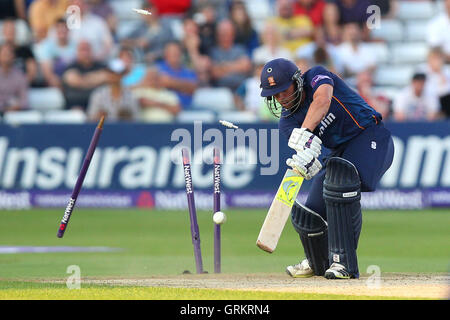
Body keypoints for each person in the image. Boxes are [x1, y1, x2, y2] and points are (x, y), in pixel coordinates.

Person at [259, 58, 394, 279]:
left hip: (371, 136)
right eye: (275, 95)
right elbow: (310, 151)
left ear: (297, 81)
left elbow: (322, 100)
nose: (280, 98)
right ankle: (318, 261)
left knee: (341, 184)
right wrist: (306, 161)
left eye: (284, 90)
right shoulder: (286, 122)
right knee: (311, 212)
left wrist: (305, 130)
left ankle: (343, 264)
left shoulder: (316, 76)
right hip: (339, 153)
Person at [62, 40, 108, 111]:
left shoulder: (101, 66)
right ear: (77, 52)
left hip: (99, 106)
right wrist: (97, 78)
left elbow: (108, 76)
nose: (85, 53)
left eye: (87, 49)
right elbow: (76, 81)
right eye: (82, 50)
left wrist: (83, 80)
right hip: (75, 106)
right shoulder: (70, 67)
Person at [0, 43, 28, 114]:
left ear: (13, 56)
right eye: (4, 53)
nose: (7, 56)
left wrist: (12, 108)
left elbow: (24, 101)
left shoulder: (20, 76)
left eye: (9, 53)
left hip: (14, 114)